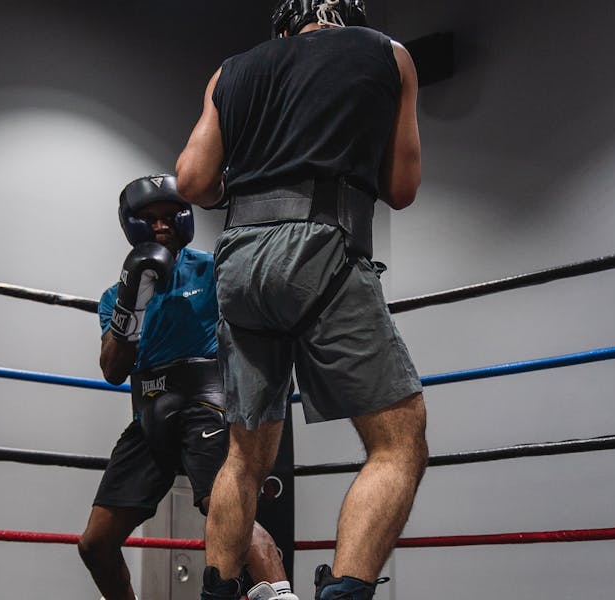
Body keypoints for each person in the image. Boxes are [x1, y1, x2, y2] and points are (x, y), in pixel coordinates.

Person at [175, 1, 428, 599]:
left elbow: (190, 181)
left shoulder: (230, 70)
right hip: (321, 249)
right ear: (349, 15)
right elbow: (402, 188)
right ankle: (344, 593)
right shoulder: (386, 53)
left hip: (236, 262)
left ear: (285, 23)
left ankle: (217, 594)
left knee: (244, 454)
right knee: (398, 442)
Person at [77, 174, 296, 600]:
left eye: (169, 216)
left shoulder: (215, 269)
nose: (161, 225)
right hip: (150, 418)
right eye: (149, 218)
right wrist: (132, 301)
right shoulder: (114, 294)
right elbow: (112, 369)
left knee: (225, 508)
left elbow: (264, 319)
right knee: (96, 543)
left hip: (207, 408)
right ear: (132, 225)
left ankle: (281, 596)